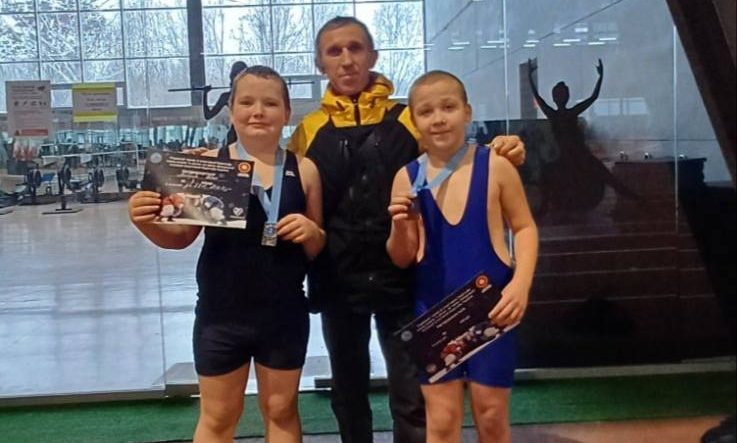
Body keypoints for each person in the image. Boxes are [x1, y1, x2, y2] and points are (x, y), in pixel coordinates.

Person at [288, 16, 526, 443]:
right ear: (320, 64)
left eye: (355, 48)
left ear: (373, 55)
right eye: (334, 51)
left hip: (404, 278)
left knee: (412, 393)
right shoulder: (307, 131)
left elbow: (454, 156)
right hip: (337, 279)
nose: (346, 59)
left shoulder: (409, 119)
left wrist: (504, 149)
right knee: (347, 390)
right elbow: (286, 186)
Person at [129, 66, 325, 443]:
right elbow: (180, 238)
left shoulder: (305, 170)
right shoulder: (209, 165)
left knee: (282, 410)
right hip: (220, 316)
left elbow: (318, 247)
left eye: (270, 103)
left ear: (287, 113)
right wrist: (144, 222)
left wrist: (313, 232)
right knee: (218, 415)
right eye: (246, 102)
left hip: (283, 314)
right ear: (231, 110)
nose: (258, 111)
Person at [386, 70, 539, 443]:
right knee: (441, 420)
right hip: (435, 312)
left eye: (448, 107)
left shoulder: (495, 165)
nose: (438, 119)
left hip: (493, 308)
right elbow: (402, 257)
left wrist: (520, 285)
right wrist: (401, 225)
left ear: (467, 112)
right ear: (414, 121)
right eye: (426, 111)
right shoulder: (407, 178)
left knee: (491, 414)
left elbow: (525, 228)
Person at [203, 61, 248, 148]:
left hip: (239, 135)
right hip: (239, 135)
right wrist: (204, 94)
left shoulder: (226, 96)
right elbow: (208, 116)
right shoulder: (227, 96)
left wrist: (205, 94)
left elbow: (208, 115)